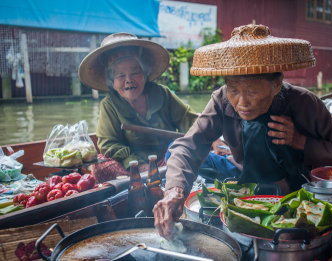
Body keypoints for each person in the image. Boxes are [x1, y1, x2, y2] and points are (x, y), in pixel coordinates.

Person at [153, 24, 332, 239]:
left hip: (289, 185)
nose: (242, 102)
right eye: (234, 90)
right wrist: (175, 191)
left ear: (276, 85)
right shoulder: (221, 99)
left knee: (257, 128)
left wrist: (301, 142)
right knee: (175, 150)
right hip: (242, 176)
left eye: (253, 91)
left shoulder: (304, 103)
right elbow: (190, 144)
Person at [78, 32, 239, 181]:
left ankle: (232, 170)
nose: (128, 80)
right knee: (99, 167)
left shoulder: (162, 93)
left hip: (166, 159)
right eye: (120, 76)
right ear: (112, 82)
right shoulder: (109, 104)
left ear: (145, 74)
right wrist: (137, 163)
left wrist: (213, 140)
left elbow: (188, 120)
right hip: (131, 165)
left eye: (135, 72)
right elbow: (108, 145)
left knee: (179, 150)